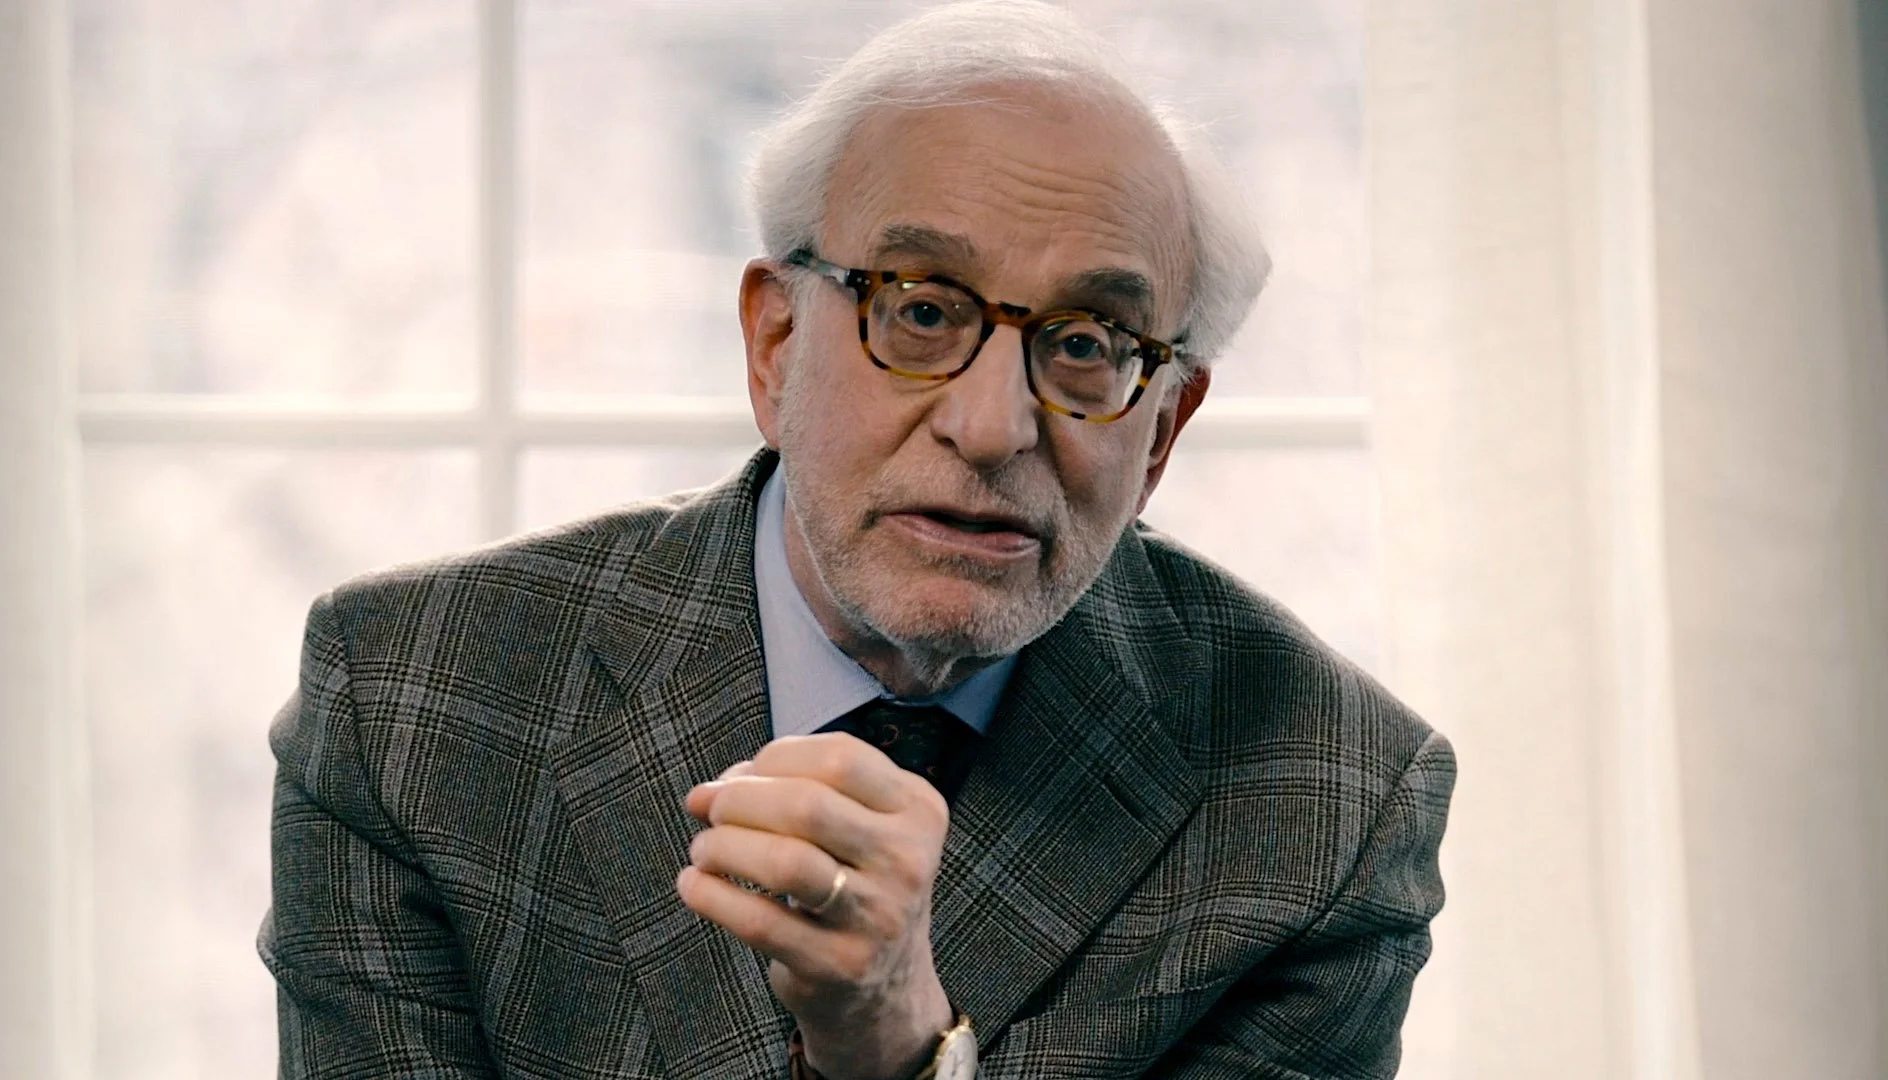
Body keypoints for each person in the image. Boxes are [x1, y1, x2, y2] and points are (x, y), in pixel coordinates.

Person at [258, 2, 1455, 1077]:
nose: (993, 429)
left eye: (1089, 344)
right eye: (922, 312)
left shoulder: (1328, 800)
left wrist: (900, 1053)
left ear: (1162, 432)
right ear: (775, 345)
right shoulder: (409, 696)